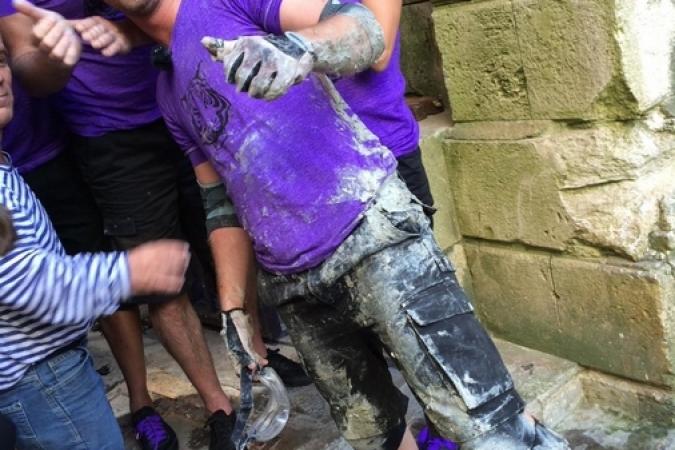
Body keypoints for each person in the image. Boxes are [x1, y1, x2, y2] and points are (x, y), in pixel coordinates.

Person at [101, 0, 571, 448]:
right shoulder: (167, 88)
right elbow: (219, 200)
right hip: (294, 286)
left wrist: (300, 49)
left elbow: (365, 28)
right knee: (374, 435)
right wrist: (236, 313)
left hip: (374, 238)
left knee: (490, 424)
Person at [0, 26, 192, 450]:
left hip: (46, 370)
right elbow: (26, 282)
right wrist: (127, 272)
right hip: (44, 381)